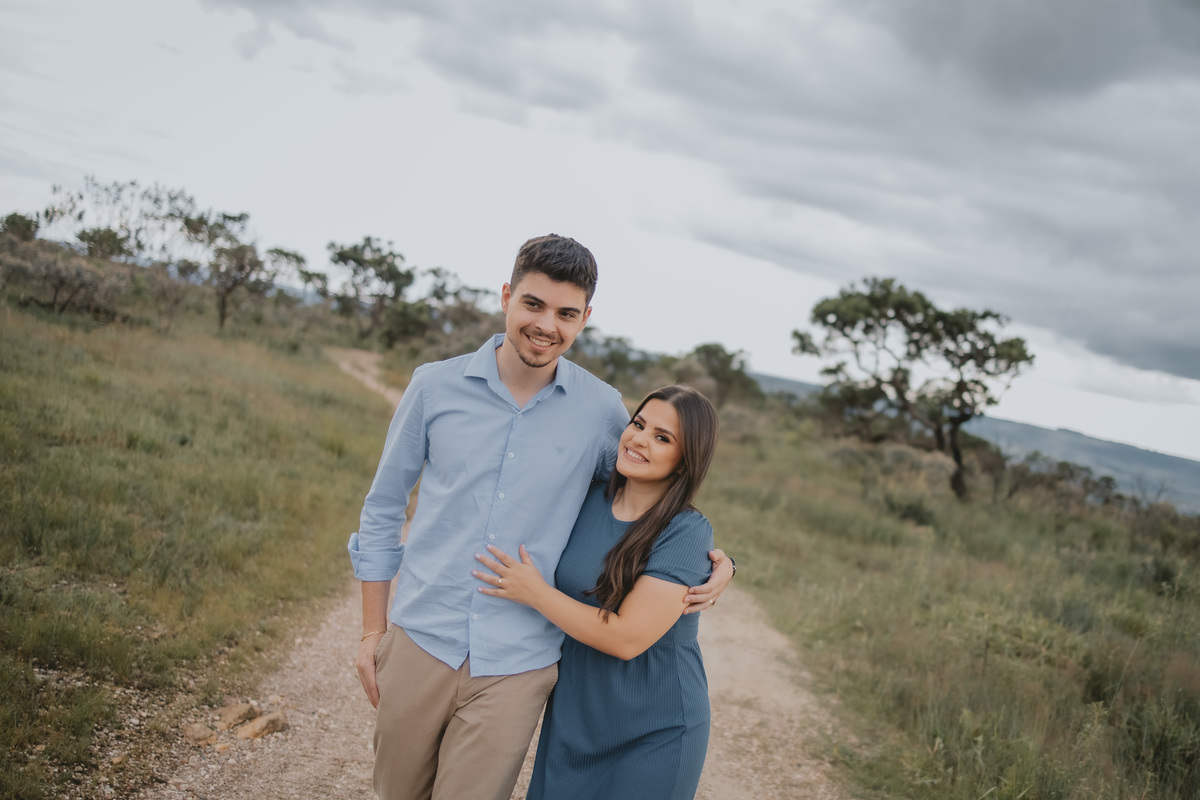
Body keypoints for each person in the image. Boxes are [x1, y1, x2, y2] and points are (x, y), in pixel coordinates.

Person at [348, 234, 734, 800]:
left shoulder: (601, 409)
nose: (546, 325)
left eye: (566, 313)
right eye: (533, 304)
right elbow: (382, 508)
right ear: (507, 296)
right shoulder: (433, 386)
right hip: (420, 641)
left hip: (518, 664)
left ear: (584, 319)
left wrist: (717, 562)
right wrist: (372, 632)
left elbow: (646, 494)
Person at [474, 385, 720, 800]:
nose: (640, 439)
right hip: (575, 716)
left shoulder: (686, 531)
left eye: (663, 438)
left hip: (655, 728)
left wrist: (535, 593)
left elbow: (626, 638)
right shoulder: (585, 498)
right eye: (638, 424)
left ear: (685, 461)